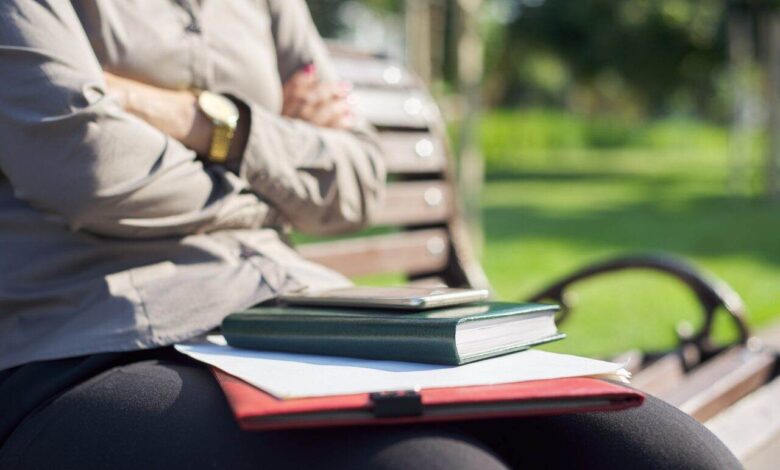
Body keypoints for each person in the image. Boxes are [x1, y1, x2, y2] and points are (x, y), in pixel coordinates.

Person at [0, 1, 741, 469]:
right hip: (90, 343)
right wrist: (282, 171)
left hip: (286, 318)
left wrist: (198, 117)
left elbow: (358, 179)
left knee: (668, 453)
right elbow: (88, 166)